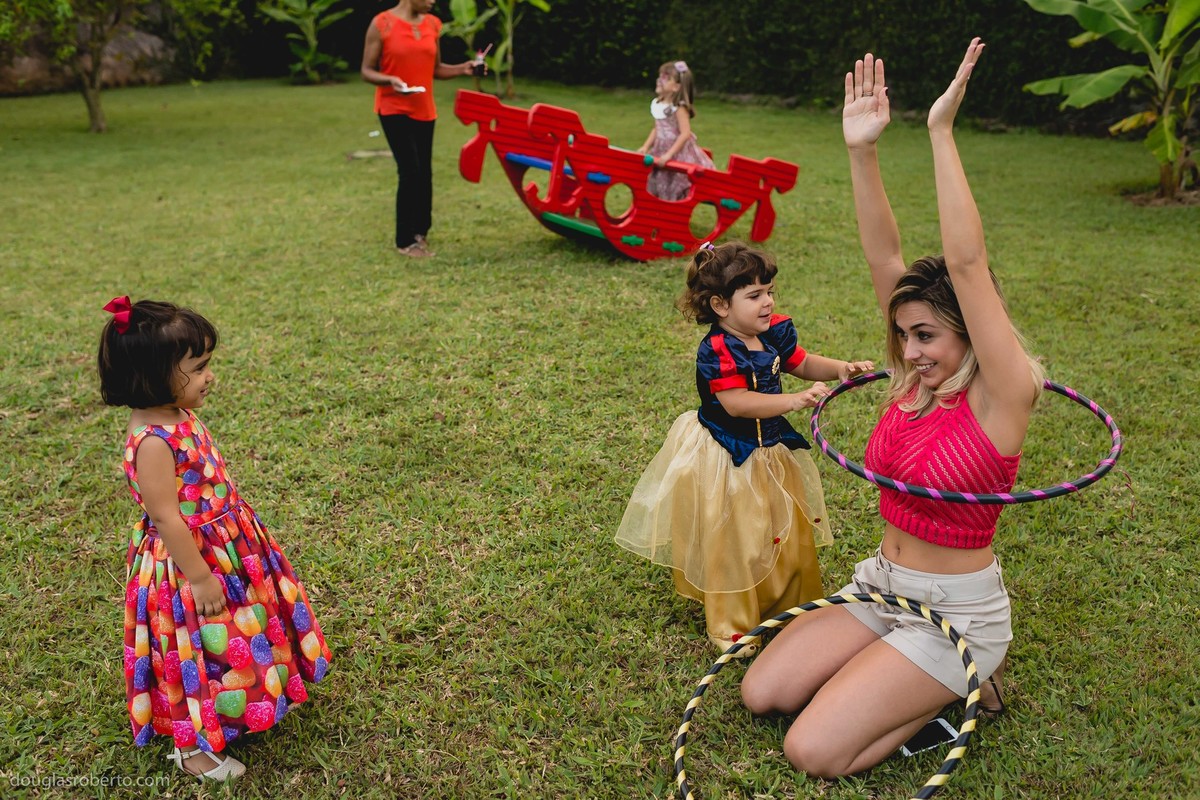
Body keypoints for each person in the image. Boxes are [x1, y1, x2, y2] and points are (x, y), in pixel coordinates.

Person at [740, 39, 1046, 777]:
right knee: (761, 692)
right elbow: (885, 258)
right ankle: (888, 666)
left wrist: (940, 132)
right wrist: (861, 151)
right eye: (903, 335)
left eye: (928, 335)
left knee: (810, 749)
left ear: (974, 330)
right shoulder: (913, 383)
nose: (909, 352)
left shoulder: (1006, 393)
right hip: (882, 585)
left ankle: (967, 689)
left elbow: (965, 264)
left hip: (957, 617)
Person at [99, 297, 332, 781]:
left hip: (226, 545)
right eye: (199, 367)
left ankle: (238, 706)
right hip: (192, 561)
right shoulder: (153, 442)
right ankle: (193, 749)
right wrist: (200, 577)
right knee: (194, 650)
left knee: (232, 634)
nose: (210, 376)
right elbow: (166, 517)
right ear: (153, 373)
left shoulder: (175, 415)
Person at [616, 242, 874, 656]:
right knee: (735, 539)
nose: (768, 301)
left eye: (769, 290)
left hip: (769, 449)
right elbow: (735, 403)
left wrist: (840, 368)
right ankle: (732, 622)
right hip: (729, 455)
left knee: (781, 527)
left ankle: (786, 601)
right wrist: (793, 400)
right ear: (720, 304)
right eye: (754, 295)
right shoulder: (718, 349)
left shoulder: (769, 332)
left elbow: (800, 361)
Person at [361, 1, 481, 257]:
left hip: (424, 108)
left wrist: (463, 68)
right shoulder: (382, 23)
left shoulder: (433, 24)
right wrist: (389, 79)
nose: (433, 1)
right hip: (393, 107)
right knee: (410, 170)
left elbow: (436, 69)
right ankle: (405, 240)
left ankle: (421, 232)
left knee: (424, 172)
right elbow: (366, 71)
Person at [635, 60, 716, 201]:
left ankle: (672, 208)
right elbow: (657, 129)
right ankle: (659, 206)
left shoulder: (679, 107)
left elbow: (685, 134)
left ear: (676, 87)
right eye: (660, 76)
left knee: (676, 179)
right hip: (661, 148)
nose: (660, 80)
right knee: (659, 178)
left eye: (666, 78)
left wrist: (669, 155)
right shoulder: (657, 103)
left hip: (678, 152)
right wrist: (646, 146)